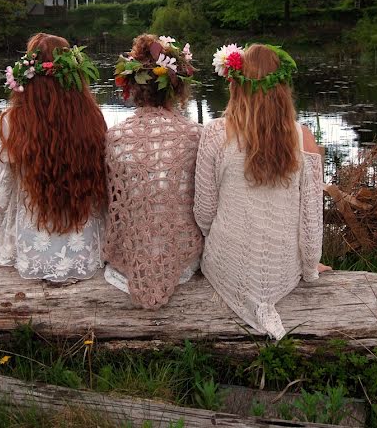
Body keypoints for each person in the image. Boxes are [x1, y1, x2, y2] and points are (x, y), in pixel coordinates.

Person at [194, 43, 330, 339]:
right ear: (282, 87)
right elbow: (311, 222)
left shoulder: (215, 133)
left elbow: (204, 215)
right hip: (283, 273)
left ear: (235, 84)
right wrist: (309, 268)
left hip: (225, 267)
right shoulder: (302, 137)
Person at [0, 33, 107, 281]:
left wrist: (5, 228)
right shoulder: (93, 119)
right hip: (84, 250)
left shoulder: (10, 122)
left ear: (26, 72)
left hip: (30, 250)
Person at [104, 34, 203, 308]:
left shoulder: (115, 136)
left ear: (134, 87)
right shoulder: (196, 135)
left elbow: (110, 203)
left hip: (128, 262)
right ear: (177, 86)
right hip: (182, 262)